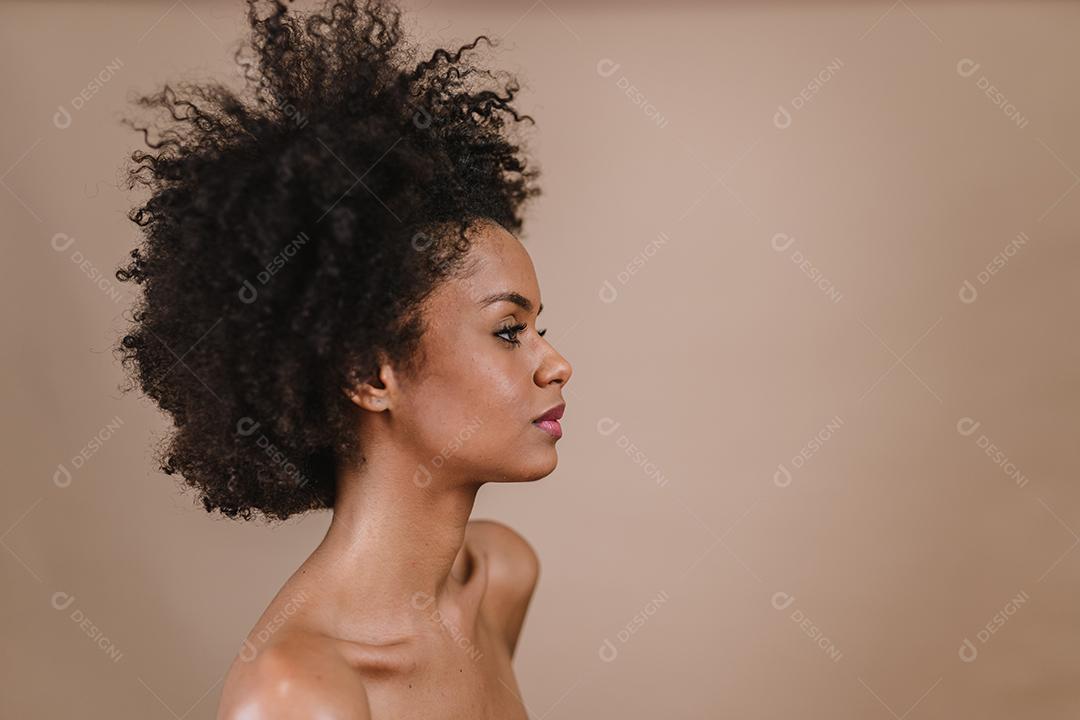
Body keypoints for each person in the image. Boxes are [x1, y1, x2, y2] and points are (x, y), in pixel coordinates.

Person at [115, 0, 573, 716]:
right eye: (509, 331)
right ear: (369, 375)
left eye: (539, 327)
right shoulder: (304, 693)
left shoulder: (500, 578)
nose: (556, 365)